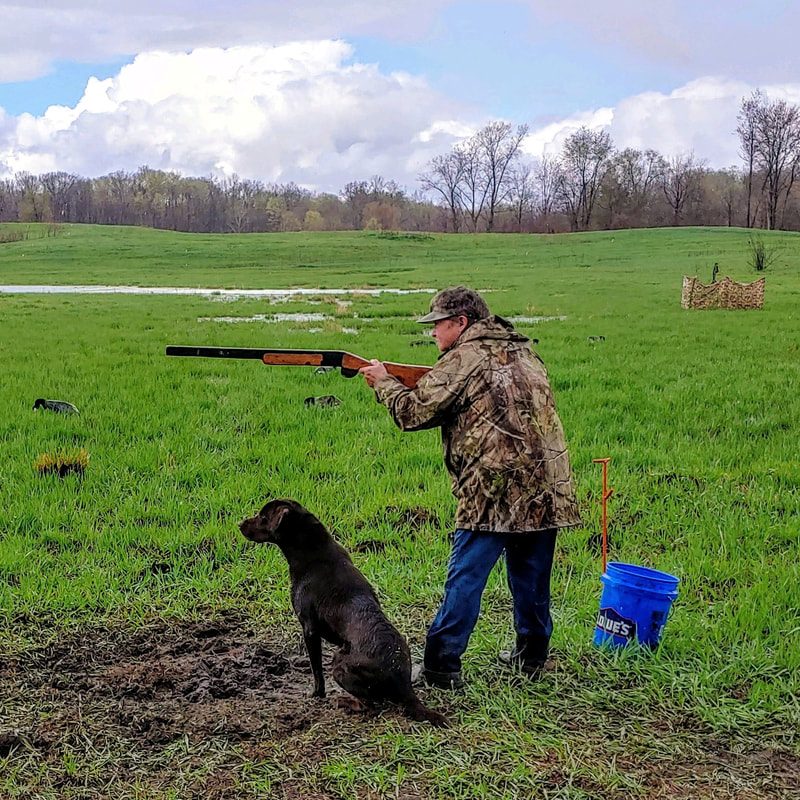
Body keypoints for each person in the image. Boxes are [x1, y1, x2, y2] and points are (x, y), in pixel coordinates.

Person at [359, 286, 581, 689]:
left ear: (461, 322)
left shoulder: (464, 358)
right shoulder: (524, 351)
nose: (433, 333)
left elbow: (413, 413)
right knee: (532, 577)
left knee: (466, 578)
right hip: (547, 483)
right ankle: (532, 657)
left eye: (438, 325)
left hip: (492, 489)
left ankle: (441, 666)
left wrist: (384, 383)